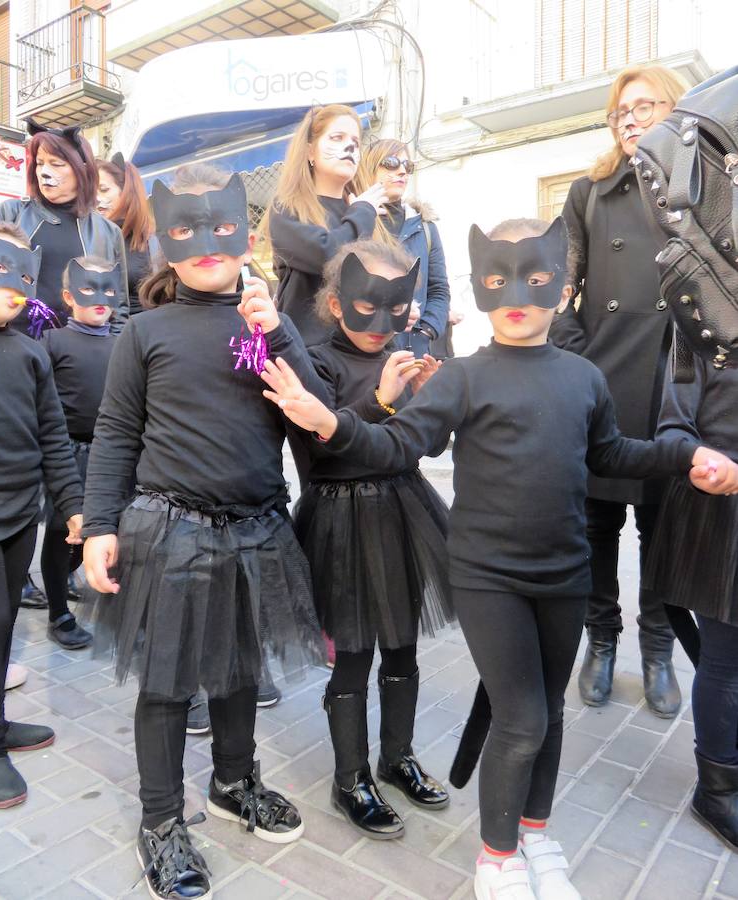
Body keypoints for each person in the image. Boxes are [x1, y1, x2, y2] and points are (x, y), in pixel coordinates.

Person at [260, 216, 735, 900]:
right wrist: (332, 421)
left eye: (535, 278)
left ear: (563, 288)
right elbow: (401, 445)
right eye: (498, 278)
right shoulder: (461, 378)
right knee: (521, 719)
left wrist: (682, 454)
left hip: (564, 575)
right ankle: (496, 856)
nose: (516, 293)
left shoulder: (582, 378)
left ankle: (535, 834)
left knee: (550, 711)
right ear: (481, 286)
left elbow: (609, 454)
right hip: (489, 578)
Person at [82, 163, 327, 900]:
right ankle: (161, 820)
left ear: (244, 235)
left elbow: (316, 413)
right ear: (166, 242)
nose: (206, 245)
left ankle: (232, 781)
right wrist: (99, 526)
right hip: (169, 531)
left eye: (220, 229)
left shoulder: (263, 330)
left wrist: (277, 332)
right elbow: (117, 432)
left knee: (239, 670)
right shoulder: (145, 332)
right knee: (165, 682)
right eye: (186, 231)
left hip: (257, 529)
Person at [296, 238, 452, 839]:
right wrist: (382, 398)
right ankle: (350, 776)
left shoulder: (406, 356)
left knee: (404, 648)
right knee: (353, 657)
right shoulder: (316, 362)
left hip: (404, 514)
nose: (383, 326)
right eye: (368, 310)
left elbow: (426, 447)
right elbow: (320, 452)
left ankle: (397, 756)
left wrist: (431, 401)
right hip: (339, 518)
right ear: (337, 305)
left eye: (398, 312)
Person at [549, 64, 689, 717]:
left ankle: (658, 649)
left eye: (643, 106)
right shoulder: (588, 192)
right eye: (619, 110)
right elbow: (556, 294)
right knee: (596, 525)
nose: (628, 118)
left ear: (674, 113)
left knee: (664, 530)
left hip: (672, 387)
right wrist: (582, 369)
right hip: (603, 383)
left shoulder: (702, 192)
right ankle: (599, 641)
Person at [0, 120, 128, 610]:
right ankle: (18, 566)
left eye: (57, 165)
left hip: (79, 360)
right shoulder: (11, 212)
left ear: (81, 169)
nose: (46, 174)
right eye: (39, 165)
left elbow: (123, 308)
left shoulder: (104, 230)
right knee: (24, 459)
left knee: (66, 461)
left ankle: (60, 561)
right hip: (19, 350)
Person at [0, 223, 83, 809]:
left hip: (21, 511)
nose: (18, 286)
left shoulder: (29, 352)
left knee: (1, 628)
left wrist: (72, 506)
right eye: (1, 270)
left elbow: (53, 433)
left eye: (27, 275)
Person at [645, 360, 738, 849]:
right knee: (727, 661)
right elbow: (674, 428)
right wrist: (709, 462)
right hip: (722, 511)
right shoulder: (699, 319)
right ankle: (717, 791)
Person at [39, 256, 119, 650]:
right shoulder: (52, 342)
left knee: (108, 530)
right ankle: (59, 612)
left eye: (109, 288)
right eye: (90, 289)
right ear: (69, 296)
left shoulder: (125, 342)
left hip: (114, 453)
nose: (101, 298)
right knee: (62, 535)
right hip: (67, 454)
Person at [266, 103, 388, 346]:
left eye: (356, 140)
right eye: (337, 137)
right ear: (310, 151)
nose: (351, 146)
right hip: (309, 353)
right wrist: (362, 212)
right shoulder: (288, 207)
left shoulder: (364, 210)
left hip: (362, 353)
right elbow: (327, 255)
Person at [356, 139, 450, 357]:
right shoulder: (355, 222)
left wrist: (425, 331)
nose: (401, 171)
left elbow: (438, 289)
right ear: (369, 167)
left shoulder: (425, 227)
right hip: (366, 351)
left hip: (412, 350)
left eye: (407, 166)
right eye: (391, 163)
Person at [96, 152, 158, 316]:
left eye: (103, 190)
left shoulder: (153, 240)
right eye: (91, 191)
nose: (96, 198)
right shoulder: (91, 236)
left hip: (145, 330)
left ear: (126, 192)